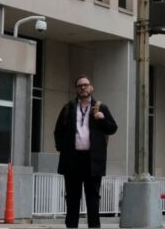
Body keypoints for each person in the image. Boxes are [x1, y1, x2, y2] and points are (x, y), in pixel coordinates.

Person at [54, 75, 118, 229]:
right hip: (73, 160)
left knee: (93, 198)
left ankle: (94, 226)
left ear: (91, 87)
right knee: (72, 198)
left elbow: (113, 128)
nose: (83, 88)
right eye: (79, 85)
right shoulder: (68, 107)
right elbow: (58, 132)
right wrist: (63, 149)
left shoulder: (101, 107)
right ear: (76, 89)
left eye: (86, 85)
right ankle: (71, 226)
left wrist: (102, 119)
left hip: (93, 160)